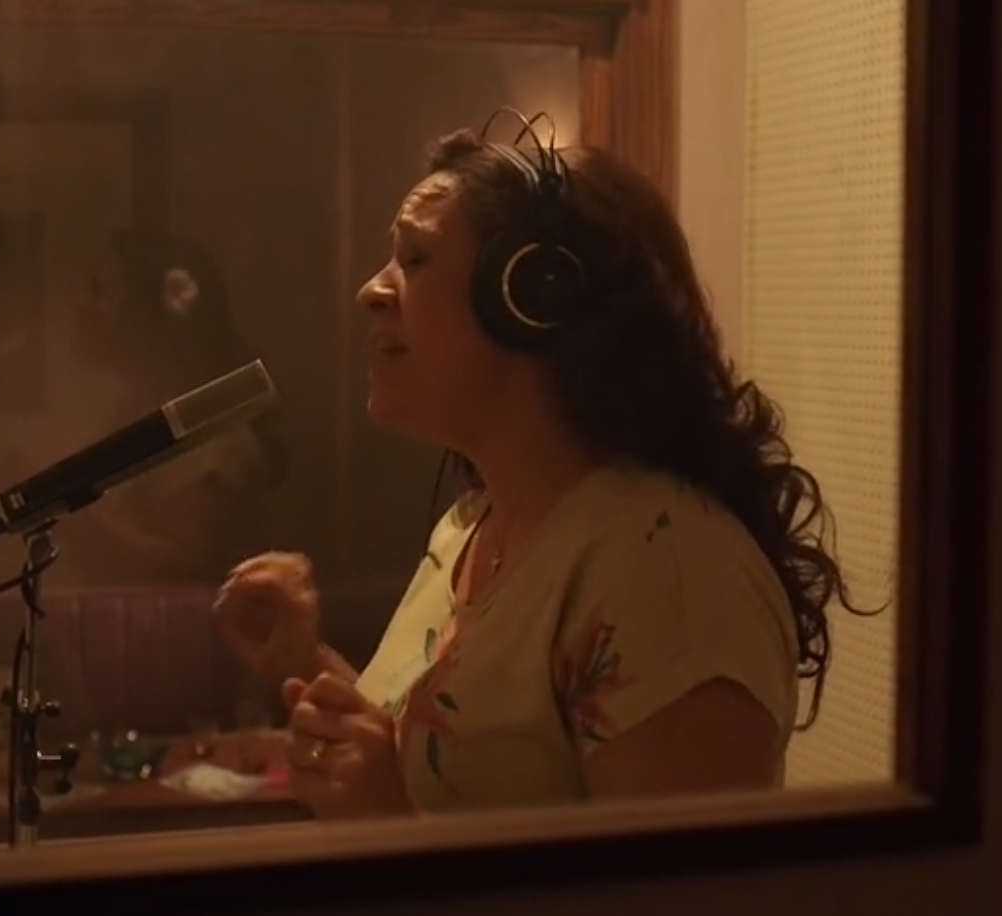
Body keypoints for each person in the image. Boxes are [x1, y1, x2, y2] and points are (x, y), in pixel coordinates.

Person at [212, 118, 869, 820]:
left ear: (530, 294)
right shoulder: (469, 529)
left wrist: (384, 823)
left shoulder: (666, 575)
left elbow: (679, 878)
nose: (370, 291)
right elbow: (452, 764)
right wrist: (304, 666)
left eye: (415, 257)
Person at [42, 227, 287, 587]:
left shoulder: (202, 430)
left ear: (146, 315)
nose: (78, 302)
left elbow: (189, 568)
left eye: (98, 290)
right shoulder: (140, 408)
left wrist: (59, 510)